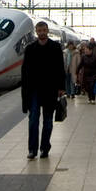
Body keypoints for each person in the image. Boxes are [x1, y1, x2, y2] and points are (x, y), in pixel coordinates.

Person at [21, 21, 66, 159]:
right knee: (33, 120)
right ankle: (32, 150)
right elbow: (25, 71)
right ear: (36, 32)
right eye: (39, 30)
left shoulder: (55, 47)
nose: (41, 32)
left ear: (47, 31)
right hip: (34, 90)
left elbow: (60, 68)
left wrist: (61, 87)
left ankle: (44, 148)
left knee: (47, 121)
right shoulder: (30, 49)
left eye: (43, 30)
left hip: (50, 90)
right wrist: (25, 90)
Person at [78, 39, 96, 103]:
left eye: (87, 50)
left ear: (91, 50)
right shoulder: (83, 57)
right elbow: (80, 65)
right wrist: (77, 71)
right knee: (88, 87)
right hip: (86, 74)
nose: (85, 51)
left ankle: (93, 99)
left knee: (92, 86)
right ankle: (90, 98)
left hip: (94, 74)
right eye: (85, 50)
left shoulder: (95, 57)